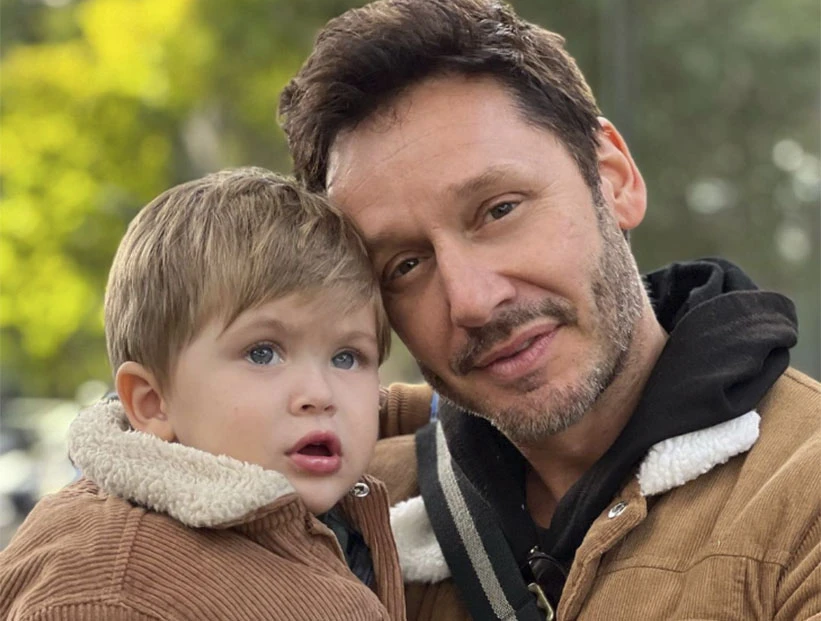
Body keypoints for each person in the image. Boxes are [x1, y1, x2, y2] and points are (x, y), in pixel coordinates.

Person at [279, 1, 821, 619]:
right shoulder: (340, 512)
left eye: (500, 210)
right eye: (405, 265)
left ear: (614, 178)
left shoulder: (801, 492)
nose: (473, 301)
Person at [0, 168, 407, 620]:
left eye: (346, 357)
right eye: (263, 353)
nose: (320, 393)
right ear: (153, 403)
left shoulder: (335, 518)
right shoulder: (108, 590)